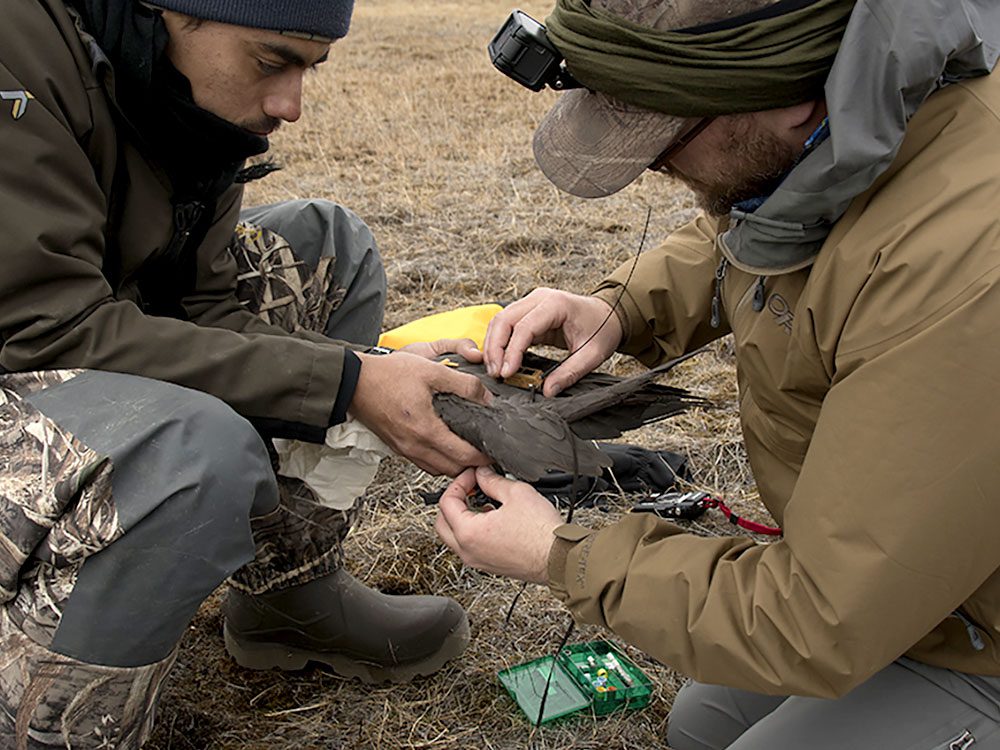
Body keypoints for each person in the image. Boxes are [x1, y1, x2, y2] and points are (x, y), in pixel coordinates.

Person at [435, 0, 1000, 747]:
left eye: (669, 138)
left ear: (791, 94)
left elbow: (818, 619)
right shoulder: (868, 119)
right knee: (702, 723)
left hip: (974, 624)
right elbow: (782, 220)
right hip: (923, 588)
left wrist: (561, 557)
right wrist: (620, 308)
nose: (657, 169)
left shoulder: (967, 269)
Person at [0, 0, 493, 746]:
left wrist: (357, 368)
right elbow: (47, 326)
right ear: (161, 11)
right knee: (193, 451)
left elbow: (202, 303)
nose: (290, 106)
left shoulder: (171, 85)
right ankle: (50, 727)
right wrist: (347, 385)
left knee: (329, 247)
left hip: (77, 321)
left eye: (308, 68)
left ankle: (289, 597)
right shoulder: (16, 56)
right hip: (25, 339)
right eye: (271, 63)